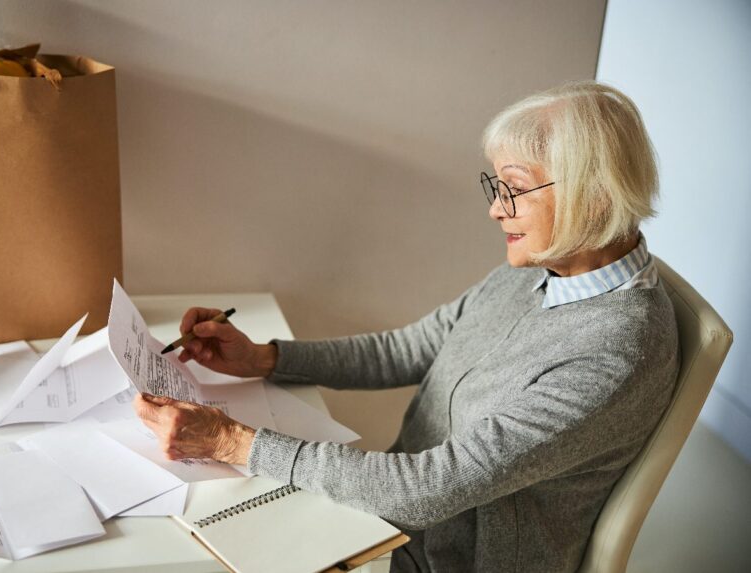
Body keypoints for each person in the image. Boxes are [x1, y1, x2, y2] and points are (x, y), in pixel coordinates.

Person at [134, 81, 680, 572]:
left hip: (438, 555)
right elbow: (410, 348)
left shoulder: (613, 351)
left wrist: (233, 442)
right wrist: (266, 360)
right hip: (393, 524)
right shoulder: (548, 267)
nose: (495, 210)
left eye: (514, 188)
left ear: (596, 195)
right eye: (496, 184)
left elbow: (426, 490)